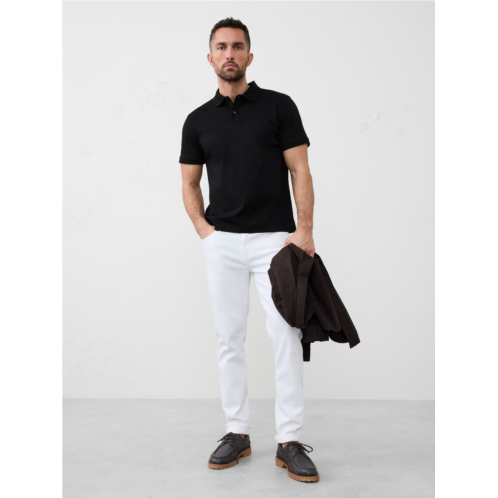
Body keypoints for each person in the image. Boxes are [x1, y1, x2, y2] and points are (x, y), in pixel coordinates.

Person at [179, 17, 319, 483]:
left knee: (286, 335)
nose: (230, 54)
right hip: (222, 242)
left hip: (274, 242)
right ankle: (237, 432)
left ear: (249, 56)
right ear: (210, 58)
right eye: (221, 47)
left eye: (237, 46)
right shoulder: (198, 120)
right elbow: (189, 182)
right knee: (228, 338)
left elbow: (300, 170)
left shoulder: (279, 107)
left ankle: (289, 440)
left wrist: (304, 230)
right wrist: (205, 231)